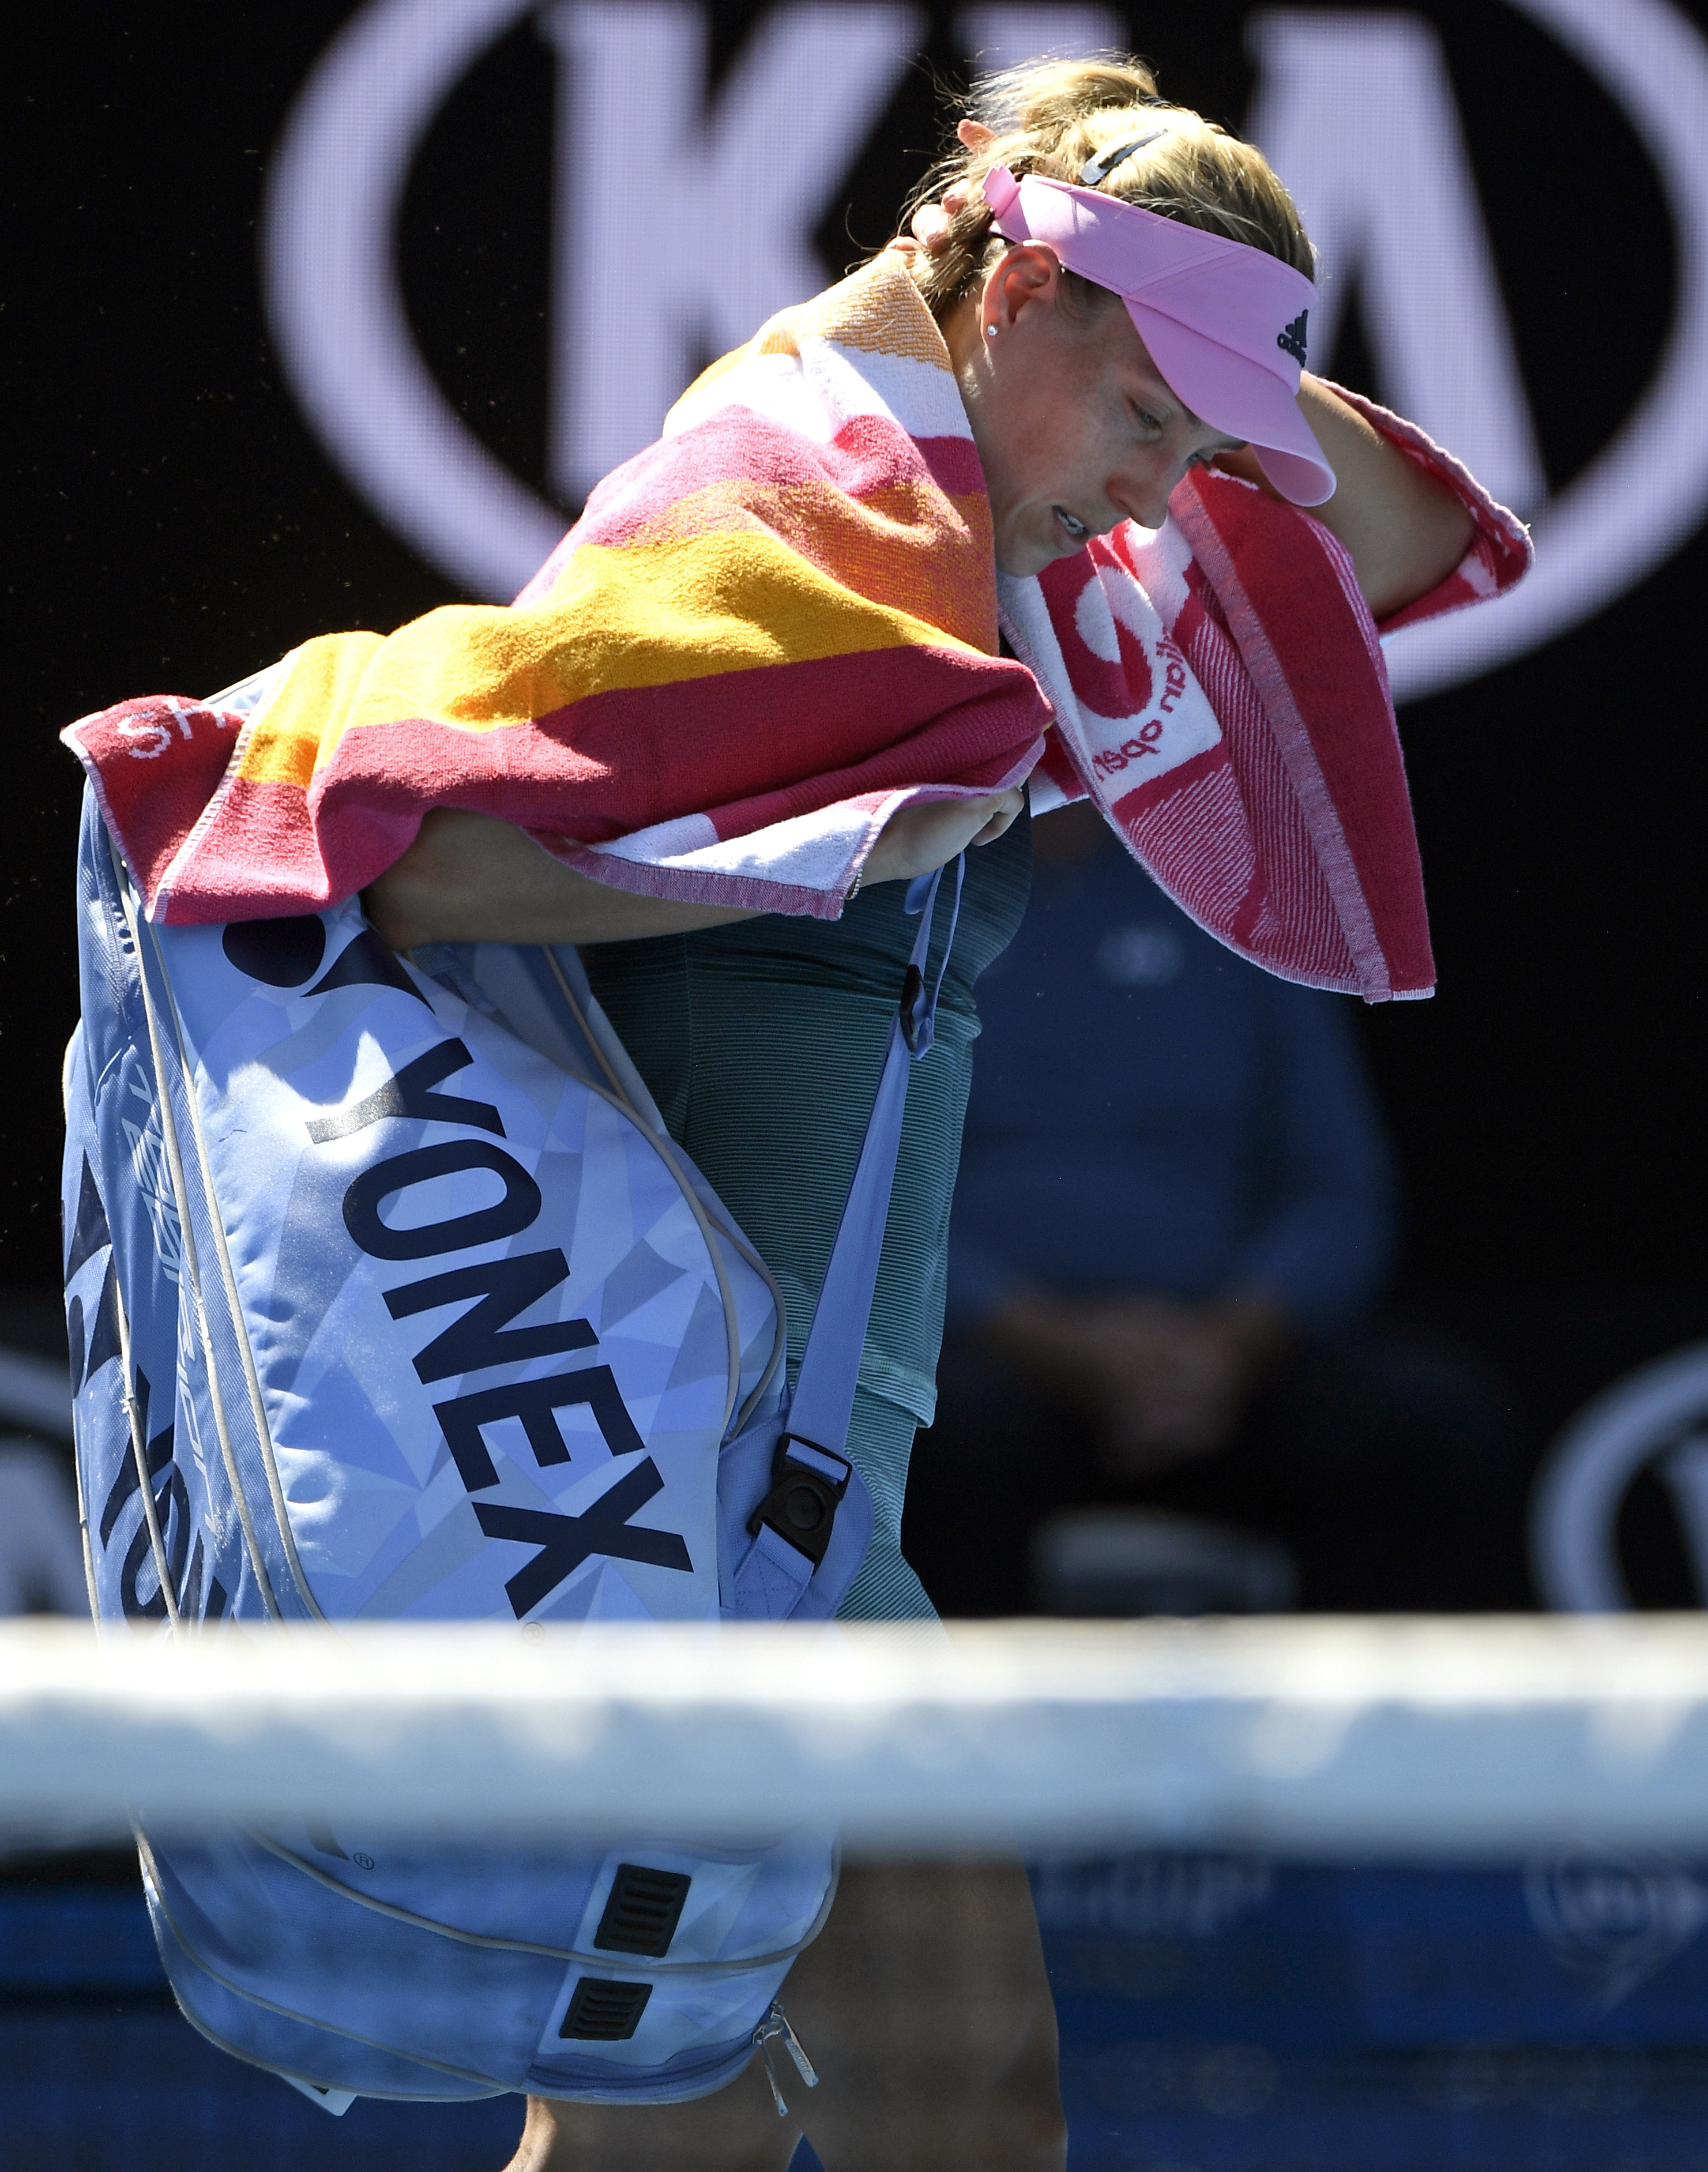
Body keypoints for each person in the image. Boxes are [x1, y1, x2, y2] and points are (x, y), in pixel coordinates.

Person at [63, 53, 1528, 2172]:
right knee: (943, 2117)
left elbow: (1400, 522)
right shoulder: (789, 479)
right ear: (1022, 303)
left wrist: (1182, 340)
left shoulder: (952, 491)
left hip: (761, 1510)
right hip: (726, 1518)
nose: (1154, 494)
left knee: (729, 2136)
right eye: (1145, 419)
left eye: (1189, 446)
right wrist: (816, 839)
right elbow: (453, 853)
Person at [904, 799, 1525, 1618]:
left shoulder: (1233, 909)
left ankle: (1359, 1741)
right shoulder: (896, 908)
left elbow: (1339, 1190)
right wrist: (1046, 1338)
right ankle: (962, 1740)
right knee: (930, 1440)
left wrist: (1228, 1346)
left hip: (1225, 1354)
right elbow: (861, 1187)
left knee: (1427, 1427)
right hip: (980, 1349)